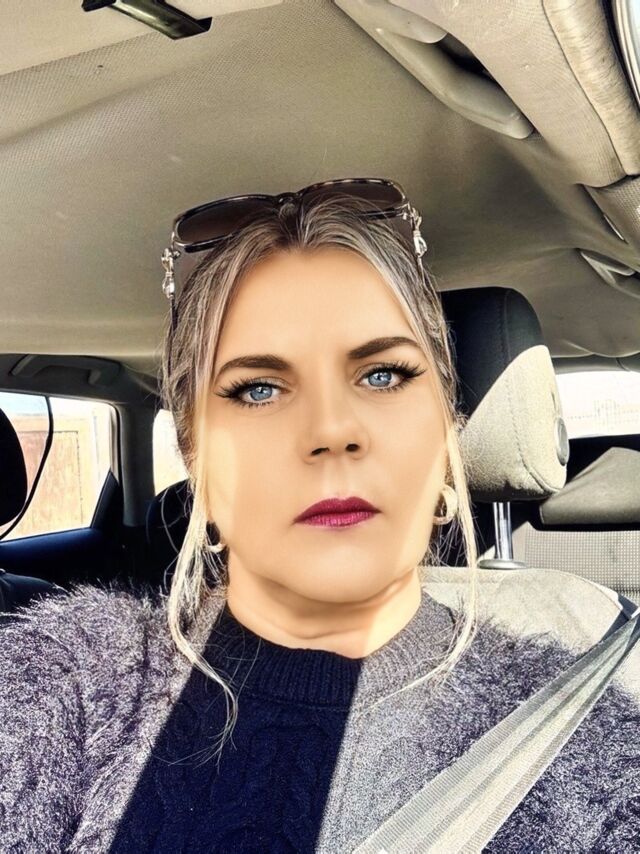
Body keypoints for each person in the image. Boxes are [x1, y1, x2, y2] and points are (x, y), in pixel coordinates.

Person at [0, 179, 638, 853]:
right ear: (195, 455)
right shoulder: (68, 684)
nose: (332, 430)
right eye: (259, 389)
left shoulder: (587, 745)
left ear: (446, 433)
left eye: (383, 375)